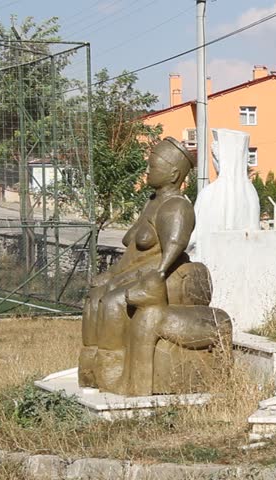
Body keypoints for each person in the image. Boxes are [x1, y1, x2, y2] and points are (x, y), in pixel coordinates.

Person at [80, 137, 198, 391]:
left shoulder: (176, 207)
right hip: (136, 273)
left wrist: (124, 281)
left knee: (112, 303)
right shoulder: (151, 202)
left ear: (174, 173)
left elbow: (167, 258)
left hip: (161, 280)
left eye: (153, 167)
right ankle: (92, 374)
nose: (147, 171)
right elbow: (134, 253)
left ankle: (116, 377)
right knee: (93, 300)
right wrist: (112, 273)